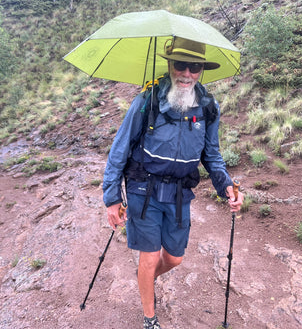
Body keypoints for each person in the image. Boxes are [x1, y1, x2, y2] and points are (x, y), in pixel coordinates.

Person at [103, 36, 243, 329]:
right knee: (150, 255)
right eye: (182, 65)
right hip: (144, 189)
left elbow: (212, 155)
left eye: (195, 67)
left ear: (201, 70)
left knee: (174, 259)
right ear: (170, 64)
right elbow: (120, 147)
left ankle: (146, 279)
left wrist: (226, 186)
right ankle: (149, 318)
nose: (187, 74)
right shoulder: (147, 99)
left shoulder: (208, 107)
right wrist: (112, 197)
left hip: (180, 193)